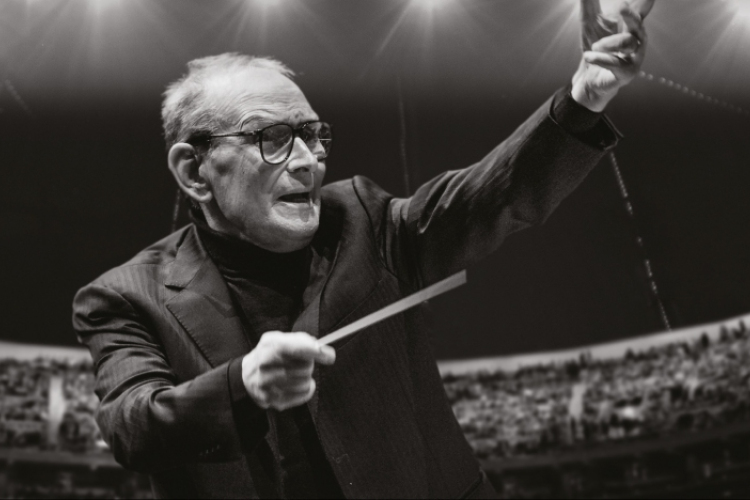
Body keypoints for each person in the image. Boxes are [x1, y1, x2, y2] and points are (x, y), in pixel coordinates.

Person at [72, 1, 653, 497]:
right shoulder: (125, 297)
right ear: (194, 171)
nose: (308, 161)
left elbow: (491, 197)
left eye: (312, 134)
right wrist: (243, 384)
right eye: (273, 138)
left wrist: (584, 98)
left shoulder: (365, 221)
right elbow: (131, 426)